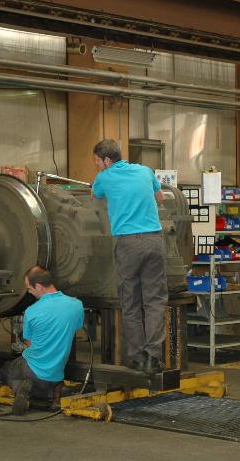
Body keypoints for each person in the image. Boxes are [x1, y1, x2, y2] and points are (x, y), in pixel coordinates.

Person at [91, 139, 168, 375]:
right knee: (154, 301)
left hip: (128, 244)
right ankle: (154, 358)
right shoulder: (145, 171)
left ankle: (137, 358)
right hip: (155, 240)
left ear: (106, 160)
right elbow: (161, 198)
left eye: (97, 161)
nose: (96, 166)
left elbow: (94, 199)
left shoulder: (104, 177)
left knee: (131, 302)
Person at [0, 266, 84, 415]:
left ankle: (20, 389)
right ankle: (48, 394)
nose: (29, 292)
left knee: (5, 370)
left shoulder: (31, 311)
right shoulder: (76, 305)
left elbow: (28, 342)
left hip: (31, 368)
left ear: (38, 286)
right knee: (46, 381)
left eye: (29, 288)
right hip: (56, 373)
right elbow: (73, 329)